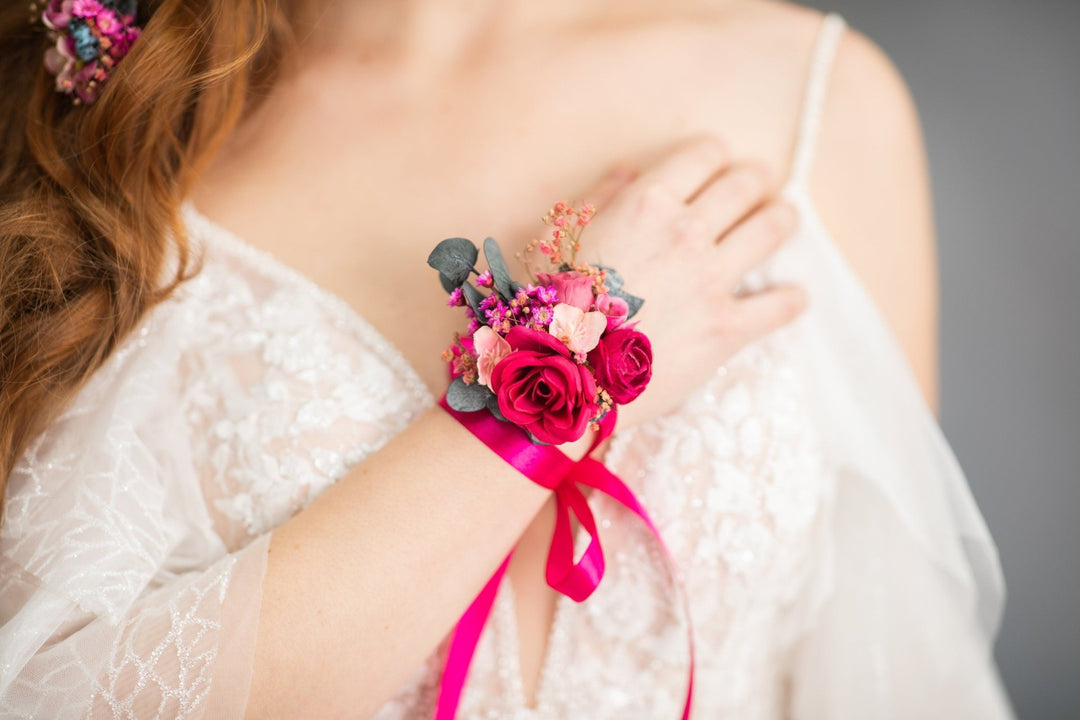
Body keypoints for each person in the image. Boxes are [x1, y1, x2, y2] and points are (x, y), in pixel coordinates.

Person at [0, 0, 1014, 718]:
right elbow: (52, 697)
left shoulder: (817, 98)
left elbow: (886, 657)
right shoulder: (108, 128)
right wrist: (544, 401)